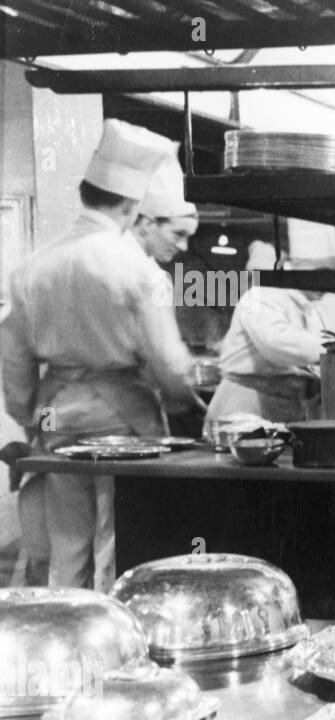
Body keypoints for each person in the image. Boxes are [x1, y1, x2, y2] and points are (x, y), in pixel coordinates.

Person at [2, 119, 195, 590]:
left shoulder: (32, 268)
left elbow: (14, 362)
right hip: (125, 421)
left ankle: (68, 646)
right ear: (132, 208)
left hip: (58, 419)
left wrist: (31, 416)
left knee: (67, 548)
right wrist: (186, 401)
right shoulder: (138, 271)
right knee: (118, 544)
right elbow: (170, 367)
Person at [204, 246, 334, 426]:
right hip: (245, 405)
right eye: (321, 274)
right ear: (292, 267)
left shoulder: (308, 309)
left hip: (283, 406)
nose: (328, 284)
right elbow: (276, 343)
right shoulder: (259, 296)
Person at [128, 153, 198, 267]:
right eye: (179, 234)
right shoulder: (128, 269)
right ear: (148, 224)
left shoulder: (149, 270)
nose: (183, 247)